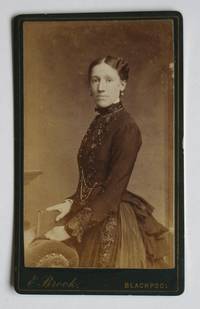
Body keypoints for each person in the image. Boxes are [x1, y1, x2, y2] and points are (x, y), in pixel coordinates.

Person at [45, 56, 169, 268]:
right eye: (95, 80)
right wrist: (71, 203)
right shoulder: (99, 121)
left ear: (122, 85)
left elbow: (112, 191)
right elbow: (92, 178)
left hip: (112, 219)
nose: (101, 87)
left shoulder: (127, 127)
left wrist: (68, 229)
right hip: (89, 212)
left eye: (108, 80)